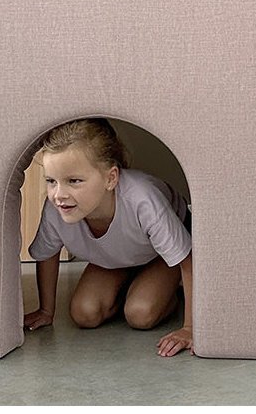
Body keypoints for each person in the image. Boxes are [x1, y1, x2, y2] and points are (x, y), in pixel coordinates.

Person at [23, 117, 194, 357]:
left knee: (140, 313)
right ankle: (132, 283)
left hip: (161, 257)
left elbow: (186, 260)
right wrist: (46, 311)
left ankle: (168, 290)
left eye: (74, 181)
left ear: (110, 178)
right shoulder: (57, 209)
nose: (59, 195)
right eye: (51, 181)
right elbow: (47, 253)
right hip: (118, 257)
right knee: (84, 313)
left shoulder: (142, 199)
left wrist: (190, 328)